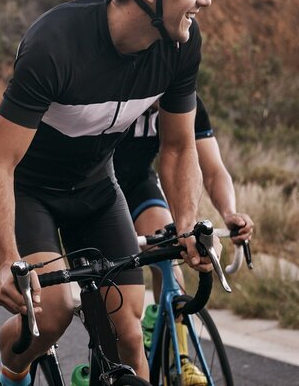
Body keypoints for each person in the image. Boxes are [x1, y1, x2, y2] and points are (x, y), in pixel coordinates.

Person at [0, 0, 222, 386]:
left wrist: (188, 225)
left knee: (127, 335)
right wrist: (6, 262)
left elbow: (176, 148)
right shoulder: (56, 43)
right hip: (30, 190)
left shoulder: (181, 46)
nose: (205, 0)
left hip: (95, 189)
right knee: (52, 313)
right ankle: (14, 374)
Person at [114, 94, 254, 384]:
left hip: (138, 184)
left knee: (170, 253)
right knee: (116, 303)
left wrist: (230, 213)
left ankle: (178, 359)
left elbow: (213, 170)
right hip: (95, 187)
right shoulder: (118, 90)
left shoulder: (185, 100)